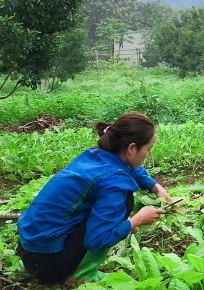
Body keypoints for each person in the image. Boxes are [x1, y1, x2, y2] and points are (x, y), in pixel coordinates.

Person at [17, 113, 171, 285]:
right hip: (47, 264)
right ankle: (80, 277)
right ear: (131, 148)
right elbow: (97, 240)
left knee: (107, 210)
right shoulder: (114, 181)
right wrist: (136, 220)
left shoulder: (96, 154)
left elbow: (128, 167)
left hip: (29, 250)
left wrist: (155, 187)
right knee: (125, 202)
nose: (148, 155)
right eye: (148, 149)